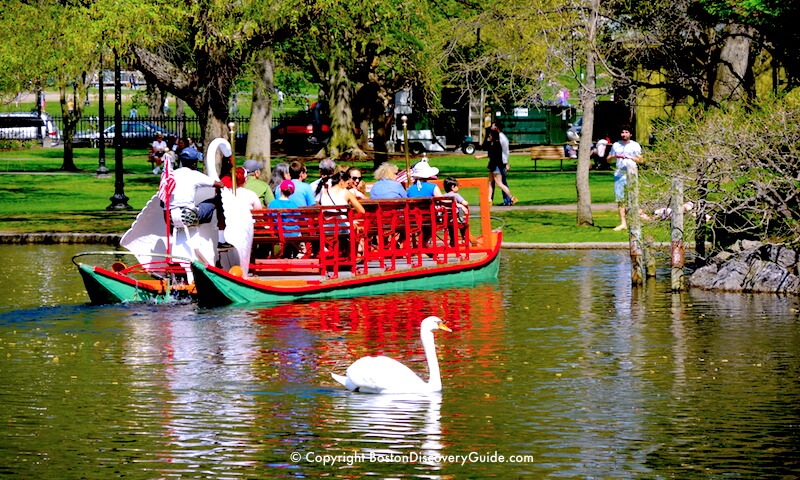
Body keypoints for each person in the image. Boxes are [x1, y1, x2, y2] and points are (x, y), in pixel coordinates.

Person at [167, 151, 226, 246]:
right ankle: (221, 240)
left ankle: (170, 238)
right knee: (219, 201)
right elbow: (220, 185)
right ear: (194, 163)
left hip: (170, 218)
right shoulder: (194, 174)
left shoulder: (170, 175)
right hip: (190, 216)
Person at [607, 125, 644, 231]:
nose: (624, 134)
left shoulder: (635, 145)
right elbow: (608, 159)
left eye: (626, 132)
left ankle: (634, 220)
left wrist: (630, 157)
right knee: (620, 199)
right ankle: (623, 223)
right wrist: (613, 156)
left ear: (630, 134)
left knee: (633, 197)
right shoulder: (616, 145)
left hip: (631, 174)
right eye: (622, 132)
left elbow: (641, 160)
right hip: (619, 175)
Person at [483, 129, 516, 205]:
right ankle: (489, 200)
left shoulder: (496, 144)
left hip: (496, 166)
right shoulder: (492, 144)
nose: (489, 136)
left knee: (499, 183)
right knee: (490, 182)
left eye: (490, 135)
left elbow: (492, 155)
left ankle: (511, 197)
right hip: (492, 166)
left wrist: (479, 157)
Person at [491, 122, 513, 205]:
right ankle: (491, 199)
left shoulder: (501, 137)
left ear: (497, 128)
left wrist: (506, 163)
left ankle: (509, 199)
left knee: (501, 182)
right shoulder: (497, 137)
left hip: (500, 162)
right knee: (496, 182)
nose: (492, 127)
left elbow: (504, 151)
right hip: (498, 161)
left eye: (494, 126)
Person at [443, 177, 470, 245]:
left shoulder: (443, 196)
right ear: (453, 187)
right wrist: (465, 203)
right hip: (456, 218)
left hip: (447, 219)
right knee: (463, 224)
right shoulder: (455, 195)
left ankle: (453, 240)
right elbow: (465, 203)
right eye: (457, 186)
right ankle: (464, 238)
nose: (458, 187)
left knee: (451, 228)